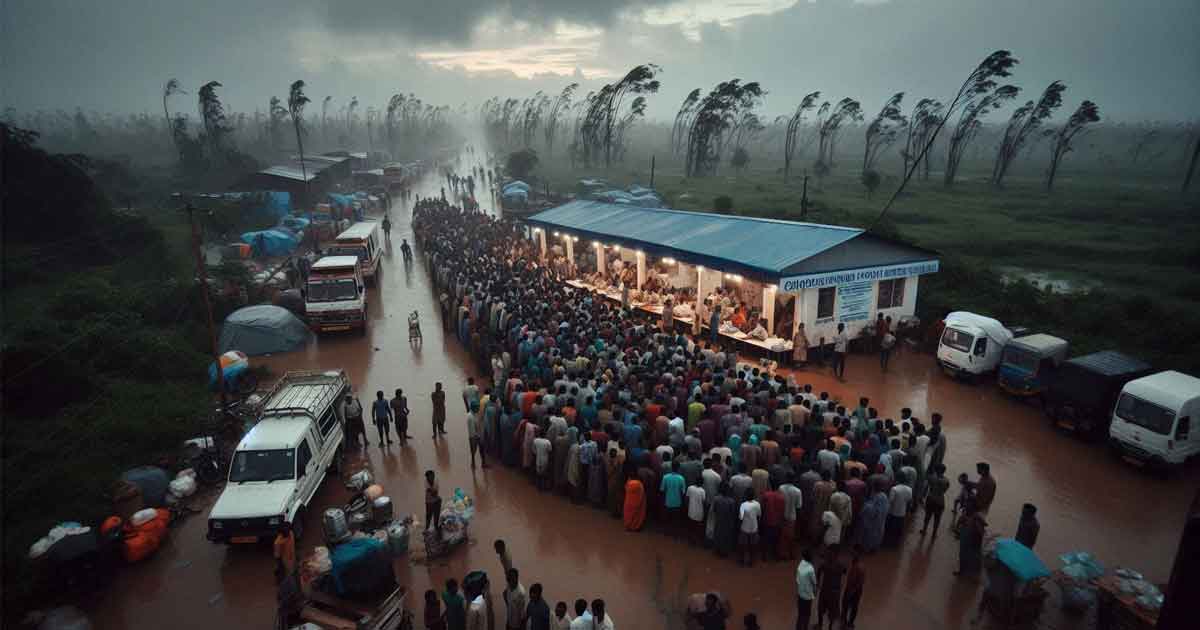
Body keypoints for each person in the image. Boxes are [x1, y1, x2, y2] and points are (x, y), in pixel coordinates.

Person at [955, 498, 987, 577]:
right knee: (962, 554)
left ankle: (969, 573)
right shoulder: (966, 514)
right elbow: (958, 524)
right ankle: (962, 571)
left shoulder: (977, 517)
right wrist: (958, 531)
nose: (966, 506)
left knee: (970, 556)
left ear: (974, 507)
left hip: (972, 539)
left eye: (969, 505)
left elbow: (982, 531)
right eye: (966, 504)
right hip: (965, 537)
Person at [816, 547, 845, 630]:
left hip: (832, 591)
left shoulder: (838, 565)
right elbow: (819, 570)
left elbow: (844, 572)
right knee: (821, 609)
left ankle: (828, 626)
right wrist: (818, 583)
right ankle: (821, 624)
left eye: (830, 554)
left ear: (835, 555)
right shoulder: (827, 564)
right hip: (828, 590)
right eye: (828, 554)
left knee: (830, 611)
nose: (829, 555)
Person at [884, 474, 913, 547]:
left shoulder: (894, 489)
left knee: (889, 530)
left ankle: (887, 544)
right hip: (902, 513)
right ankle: (895, 544)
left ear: (898, 480)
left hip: (892, 512)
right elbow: (909, 501)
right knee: (898, 531)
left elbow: (890, 501)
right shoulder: (909, 489)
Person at [841, 548, 865, 629]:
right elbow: (845, 573)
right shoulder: (851, 564)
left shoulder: (860, 567)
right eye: (853, 553)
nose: (853, 554)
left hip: (855, 590)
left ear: (859, 555)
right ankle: (844, 622)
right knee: (845, 606)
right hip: (849, 588)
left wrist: (852, 591)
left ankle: (850, 623)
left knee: (853, 607)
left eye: (855, 553)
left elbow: (860, 583)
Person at [661, 461, 687, 534]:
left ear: (671, 467)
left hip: (667, 501)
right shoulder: (681, 478)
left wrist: (663, 501)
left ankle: (666, 532)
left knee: (667, 518)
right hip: (677, 502)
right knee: (676, 519)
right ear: (678, 468)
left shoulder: (665, 477)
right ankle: (675, 532)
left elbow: (662, 490)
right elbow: (683, 492)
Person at [738, 489, 762, 567]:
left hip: (744, 527)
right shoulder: (757, 504)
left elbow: (740, 518)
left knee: (743, 545)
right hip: (754, 527)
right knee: (753, 545)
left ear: (746, 496)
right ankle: (751, 561)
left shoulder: (743, 505)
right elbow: (759, 515)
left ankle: (742, 560)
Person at [795, 549, 817, 630]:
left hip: (800, 595)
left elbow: (797, 581)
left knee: (800, 614)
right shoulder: (811, 569)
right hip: (807, 596)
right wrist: (815, 592)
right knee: (807, 614)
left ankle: (798, 628)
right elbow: (814, 583)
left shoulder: (800, 565)